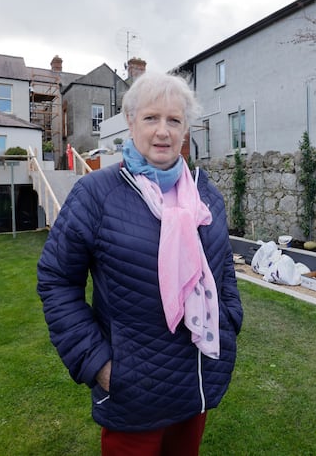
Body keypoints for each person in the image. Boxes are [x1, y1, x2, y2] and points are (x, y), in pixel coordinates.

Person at [37, 71, 243, 455]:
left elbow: (222, 269)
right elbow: (56, 281)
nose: (162, 131)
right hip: (133, 389)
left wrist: (230, 320)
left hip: (198, 376)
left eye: (174, 120)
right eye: (151, 118)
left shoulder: (205, 194)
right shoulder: (96, 194)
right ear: (131, 123)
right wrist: (97, 363)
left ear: (186, 130)